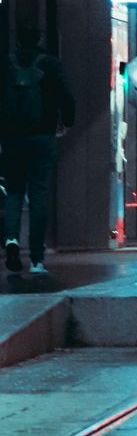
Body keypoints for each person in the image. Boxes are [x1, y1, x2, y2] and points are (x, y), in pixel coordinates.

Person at [2, 23, 75, 274]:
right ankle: (36, 259)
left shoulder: (5, 64)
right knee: (39, 196)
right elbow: (67, 97)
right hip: (42, 137)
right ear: (40, 39)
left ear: (18, 41)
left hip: (11, 138)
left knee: (13, 192)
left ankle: (11, 240)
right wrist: (66, 122)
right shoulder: (51, 65)